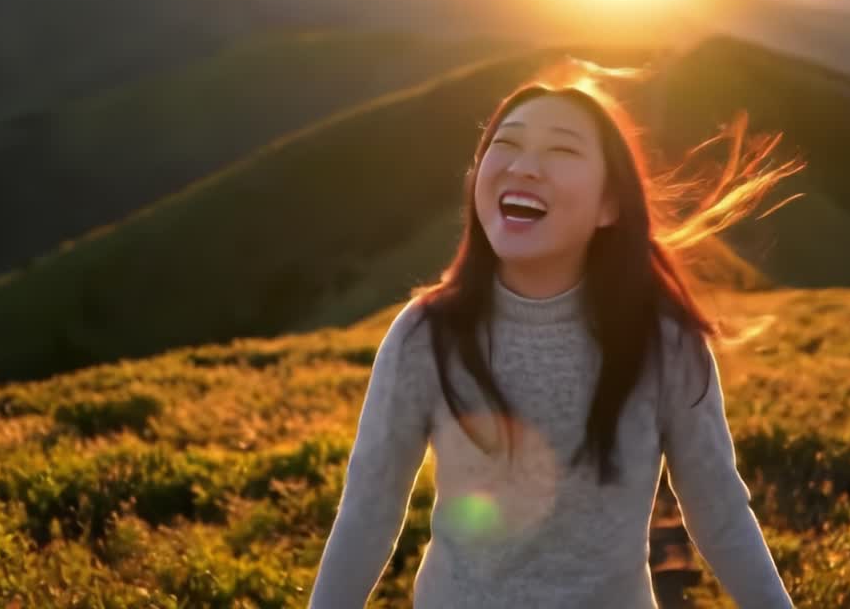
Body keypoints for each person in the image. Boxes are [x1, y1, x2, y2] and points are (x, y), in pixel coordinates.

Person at [308, 56, 802, 608]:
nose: (524, 167)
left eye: (562, 150)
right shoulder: (426, 334)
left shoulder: (664, 341)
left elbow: (720, 512)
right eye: (506, 144)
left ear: (609, 204)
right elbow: (368, 512)